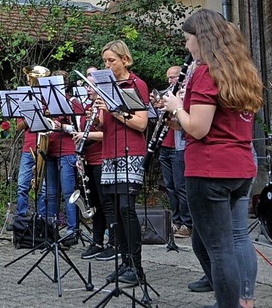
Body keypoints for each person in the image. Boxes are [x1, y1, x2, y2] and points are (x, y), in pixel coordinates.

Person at [163, 8, 262, 308]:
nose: (186, 45)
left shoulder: (207, 72)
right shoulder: (240, 69)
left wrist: (177, 105)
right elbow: (218, 122)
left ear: (201, 38)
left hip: (209, 169)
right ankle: (233, 301)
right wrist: (176, 116)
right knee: (222, 243)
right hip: (240, 166)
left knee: (220, 250)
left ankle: (228, 304)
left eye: (188, 39)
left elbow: (200, 128)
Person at [94, 40, 149, 285]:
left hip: (131, 151)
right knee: (115, 210)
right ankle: (125, 262)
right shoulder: (106, 87)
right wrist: (97, 116)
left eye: (111, 60)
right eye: (105, 61)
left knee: (127, 208)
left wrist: (114, 110)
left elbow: (140, 123)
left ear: (124, 60)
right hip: (110, 151)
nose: (107, 65)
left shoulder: (136, 84)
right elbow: (104, 127)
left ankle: (136, 267)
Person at [72, 71, 115, 260]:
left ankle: (113, 243)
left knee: (107, 203)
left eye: (91, 86)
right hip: (88, 158)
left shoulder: (105, 105)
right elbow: (82, 132)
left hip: (102, 159)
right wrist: (78, 155)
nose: (88, 90)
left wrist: (86, 136)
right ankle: (97, 241)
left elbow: (108, 134)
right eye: (87, 86)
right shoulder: (89, 107)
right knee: (94, 204)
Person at [37, 70, 81, 247]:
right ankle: (50, 230)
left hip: (67, 152)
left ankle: (72, 231)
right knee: (51, 193)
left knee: (68, 193)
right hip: (50, 150)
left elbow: (78, 128)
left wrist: (61, 126)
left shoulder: (72, 103)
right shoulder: (46, 104)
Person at [157, 66, 191, 238]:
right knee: (170, 187)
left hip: (179, 146)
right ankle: (176, 221)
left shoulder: (184, 95)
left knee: (181, 187)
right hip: (165, 145)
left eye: (174, 77)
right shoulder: (168, 95)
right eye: (169, 78)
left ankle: (187, 223)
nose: (171, 81)